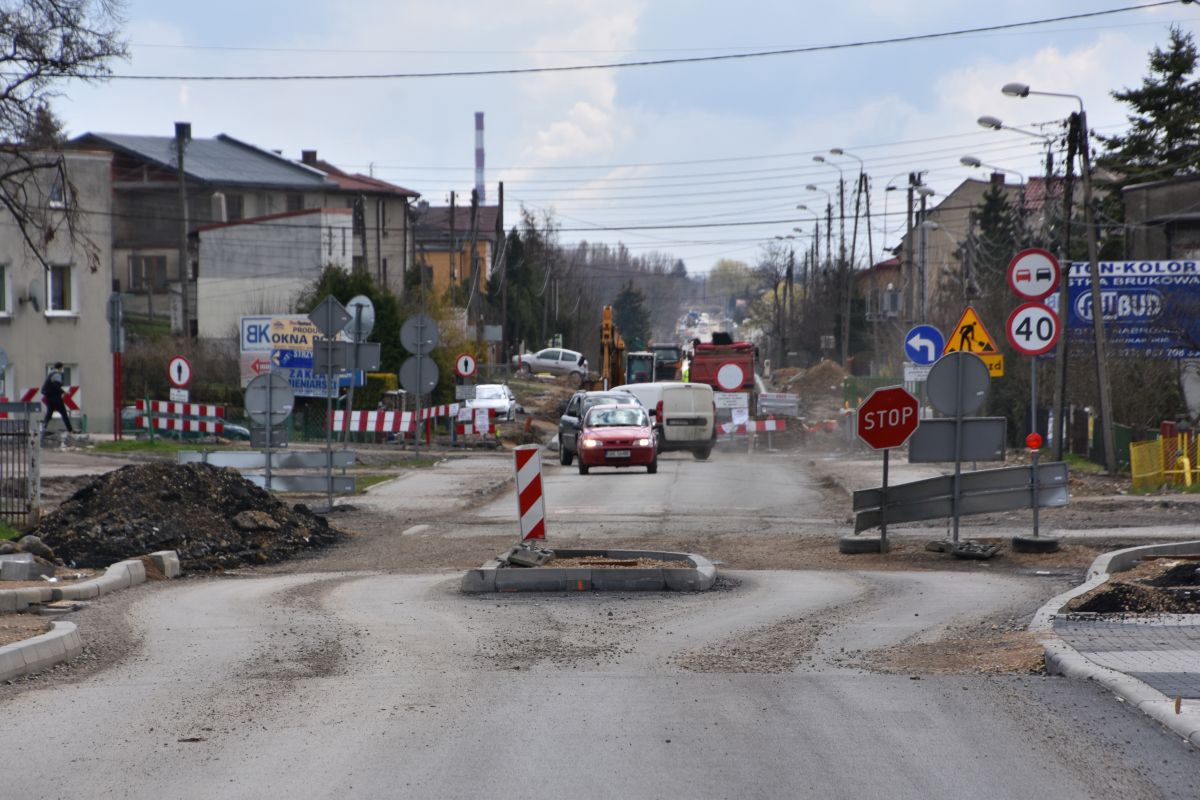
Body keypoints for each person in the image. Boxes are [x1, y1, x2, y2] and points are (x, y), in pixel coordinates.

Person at [41, 362, 74, 434]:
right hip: (56, 398)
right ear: (60, 368)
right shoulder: (57, 375)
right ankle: (70, 430)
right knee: (64, 413)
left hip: (49, 397)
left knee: (49, 414)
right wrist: (64, 392)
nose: (62, 370)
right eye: (62, 368)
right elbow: (56, 386)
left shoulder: (50, 374)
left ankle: (42, 428)